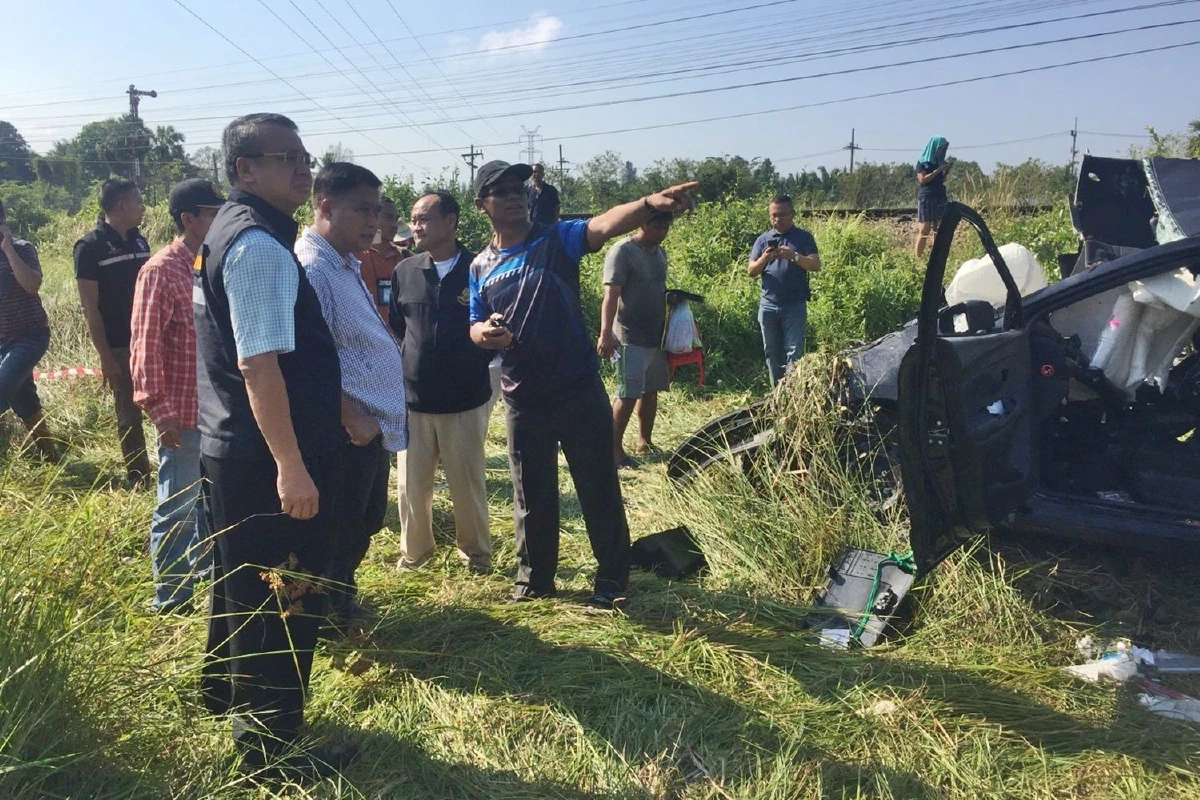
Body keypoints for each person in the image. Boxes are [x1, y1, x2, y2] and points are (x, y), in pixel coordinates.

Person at [195, 112, 356, 782]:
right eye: (286, 157)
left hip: (234, 445)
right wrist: (292, 466)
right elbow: (259, 366)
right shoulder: (258, 246)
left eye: (304, 156)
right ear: (245, 169)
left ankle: (224, 694)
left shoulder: (229, 230)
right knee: (284, 600)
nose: (303, 168)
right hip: (267, 459)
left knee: (240, 587)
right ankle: (271, 753)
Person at [468, 159, 696, 607]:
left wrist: (649, 204)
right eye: (502, 190)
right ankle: (534, 582)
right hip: (522, 396)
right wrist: (483, 333)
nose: (515, 196)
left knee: (597, 486)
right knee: (530, 494)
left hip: (576, 388)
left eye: (519, 188)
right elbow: (473, 322)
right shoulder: (479, 266)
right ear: (481, 205)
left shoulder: (556, 239)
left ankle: (612, 581)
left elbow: (604, 224)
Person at [296, 162, 408, 623]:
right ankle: (328, 612)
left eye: (376, 210)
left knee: (364, 519)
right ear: (326, 208)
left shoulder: (342, 263)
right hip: (345, 431)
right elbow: (306, 361)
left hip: (367, 426)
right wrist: (349, 417)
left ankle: (338, 598)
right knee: (340, 526)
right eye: (362, 210)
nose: (373, 221)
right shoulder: (312, 269)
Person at [130, 179, 224, 614]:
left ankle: (202, 574)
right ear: (189, 218)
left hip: (216, 412)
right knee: (177, 506)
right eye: (213, 212)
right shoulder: (161, 270)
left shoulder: (211, 263)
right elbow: (145, 346)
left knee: (207, 503)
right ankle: (171, 599)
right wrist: (159, 409)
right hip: (182, 414)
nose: (221, 219)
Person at [390, 191, 493, 574]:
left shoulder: (478, 268)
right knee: (411, 487)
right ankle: (415, 554)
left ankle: (476, 555)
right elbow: (398, 326)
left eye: (424, 219)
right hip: (414, 400)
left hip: (464, 398)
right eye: (414, 219)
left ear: (451, 222)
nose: (415, 227)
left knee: (467, 483)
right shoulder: (406, 270)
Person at [74, 177, 152, 487]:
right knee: (129, 416)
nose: (143, 207)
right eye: (138, 201)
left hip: (150, 340)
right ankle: (139, 480)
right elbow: (90, 308)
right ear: (122, 205)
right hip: (119, 345)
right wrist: (105, 357)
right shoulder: (89, 247)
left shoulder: (139, 241)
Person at [597, 211, 673, 468]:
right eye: (657, 227)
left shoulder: (659, 252)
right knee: (628, 394)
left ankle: (644, 441)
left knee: (650, 391)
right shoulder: (622, 251)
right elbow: (611, 295)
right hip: (628, 336)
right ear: (643, 223)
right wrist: (606, 333)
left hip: (655, 335)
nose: (662, 233)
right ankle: (613, 451)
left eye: (665, 228)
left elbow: (657, 287)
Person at [0, 199, 59, 460]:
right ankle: (51, 457)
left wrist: (8, 250)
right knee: (24, 400)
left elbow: (32, 284)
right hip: (2, 341)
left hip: (30, 336)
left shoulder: (22, 249)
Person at [747, 194, 820, 385]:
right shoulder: (763, 240)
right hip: (768, 305)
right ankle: (776, 392)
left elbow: (815, 265)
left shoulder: (803, 237)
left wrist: (793, 256)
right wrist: (764, 259)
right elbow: (751, 271)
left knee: (794, 352)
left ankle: (791, 392)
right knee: (771, 351)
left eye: (782, 214)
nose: (777, 219)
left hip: (794, 305)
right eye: (774, 215)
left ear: (792, 214)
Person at [356, 196, 413, 321]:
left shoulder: (406, 258)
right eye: (388, 218)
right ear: (373, 218)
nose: (394, 225)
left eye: (396, 219)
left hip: (398, 331)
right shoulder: (355, 257)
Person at [915, 136, 952, 258]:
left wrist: (946, 171)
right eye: (940, 148)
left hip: (940, 196)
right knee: (925, 229)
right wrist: (938, 170)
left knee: (939, 229)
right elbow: (923, 180)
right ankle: (918, 257)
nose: (942, 151)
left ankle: (937, 257)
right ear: (934, 147)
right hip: (927, 197)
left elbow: (942, 180)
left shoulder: (940, 161)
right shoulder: (922, 162)